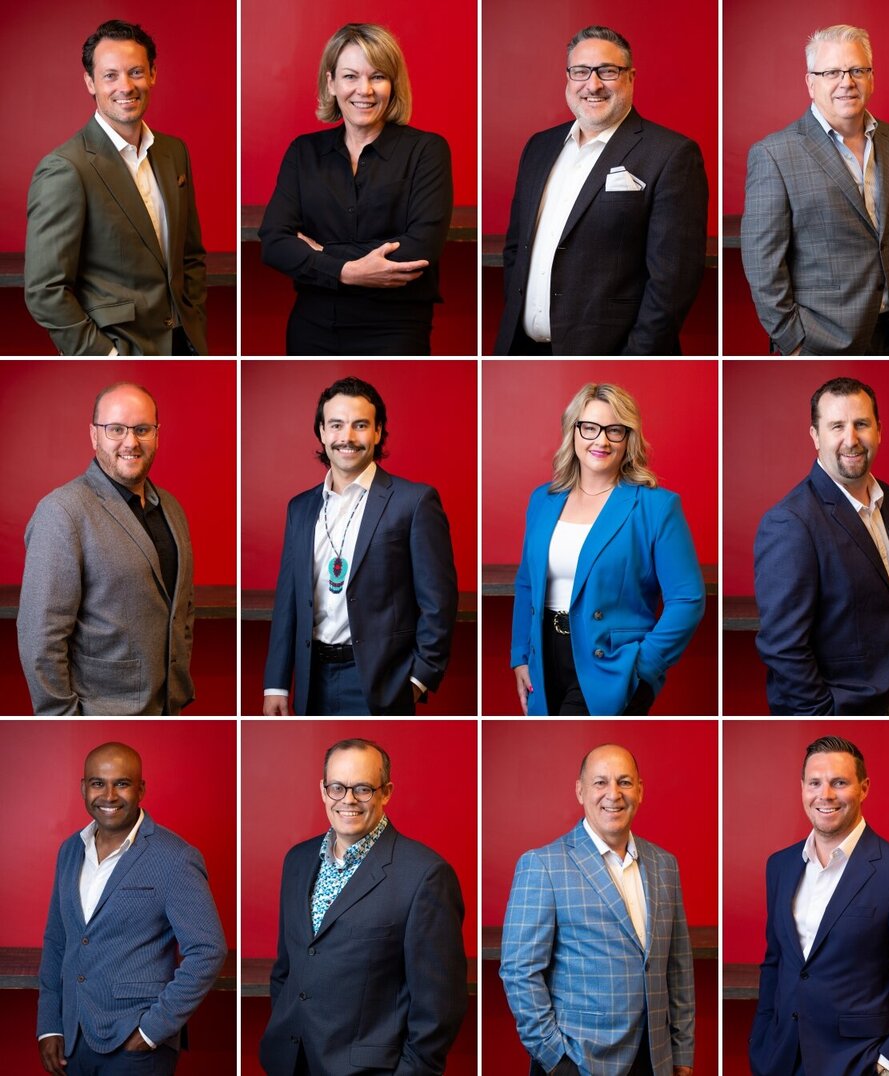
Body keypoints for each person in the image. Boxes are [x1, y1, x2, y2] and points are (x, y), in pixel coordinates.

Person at [493, 26, 708, 356]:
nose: (592, 85)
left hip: (613, 353)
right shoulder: (539, 146)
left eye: (607, 71)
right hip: (521, 348)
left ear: (631, 77)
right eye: (580, 71)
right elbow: (516, 249)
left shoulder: (671, 154)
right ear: (568, 77)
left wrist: (637, 357)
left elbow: (673, 282)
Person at [260, 738, 467, 1075]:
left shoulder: (426, 875)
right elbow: (289, 966)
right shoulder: (297, 860)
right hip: (288, 1061)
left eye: (363, 789)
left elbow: (440, 1006)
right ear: (324, 791)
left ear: (386, 792)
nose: (348, 800)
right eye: (337, 788)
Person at [750, 736, 889, 1075]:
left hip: (855, 1063)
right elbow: (776, 963)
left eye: (839, 783)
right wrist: (760, 1042)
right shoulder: (779, 866)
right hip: (779, 1058)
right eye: (815, 783)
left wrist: (888, 1066)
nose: (825, 795)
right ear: (802, 788)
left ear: (864, 788)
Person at [264, 376, 457, 716]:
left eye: (360, 425)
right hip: (312, 680)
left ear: (378, 432)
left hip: (383, 683)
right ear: (322, 433)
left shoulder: (414, 501)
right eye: (336, 425)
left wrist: (418, 680)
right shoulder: (300, 508)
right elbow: (288, 601)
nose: (347, 438)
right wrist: (277, 683)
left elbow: (439, 601)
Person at [511, 383, 705, 716]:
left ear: (629, 438)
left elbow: (688, 599)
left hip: (611, 663)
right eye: (590, 428)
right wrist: (520, 656)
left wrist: (643, 667)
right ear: (573, 431)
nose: (601, 440)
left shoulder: (656, 506)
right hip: (544, 655)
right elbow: (527, 582)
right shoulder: (542, 499)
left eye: (614, 430)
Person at [500, 743, 694, 1076]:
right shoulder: (543, 865)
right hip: (578, 1062)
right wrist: (556, 1059)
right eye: (600, 782)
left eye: (624, 782)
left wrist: (682, 1054)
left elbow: (678, 967)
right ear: (580, 790)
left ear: (640, 790)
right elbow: (519, 972)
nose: (613, 794)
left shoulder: (665, 865)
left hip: (654, 1061)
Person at [259, 24, 452, 355]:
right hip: (314, 325)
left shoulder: (426, 150)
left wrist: (321, 253)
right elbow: (274, 242)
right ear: (331, 83)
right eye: (351, 77)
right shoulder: (303, 152)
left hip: (395, 326)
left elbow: (421, 248)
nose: (365, 89)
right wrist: (347, 271)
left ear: (393, 84)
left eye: (377, 76)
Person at [37, 742, 226, 1076]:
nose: (109, 796)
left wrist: (150, 1032)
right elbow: (57, 940)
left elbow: (208, 950)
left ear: (141, 789)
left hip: (135, 1047)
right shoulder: (70, 850)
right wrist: (50, 1024)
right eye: (98, 783)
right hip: (73, 1037)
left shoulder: (175, 857)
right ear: (84, 788)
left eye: (121, 783)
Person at [25, 20, 207, 356]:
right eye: (110, 75)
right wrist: (104, 355)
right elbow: (44, 290)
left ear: (152, 73)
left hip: (185, 343)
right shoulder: (66, 168)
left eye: (136, 71)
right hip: (120, 346)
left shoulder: (174, 152)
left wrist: (193, 317)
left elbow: (190, 254)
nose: (126, 86)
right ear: (90, 82)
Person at [742, 25, 889, 356]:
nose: (847, 82)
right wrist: (792, 340)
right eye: (832, 72)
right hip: (820, 339)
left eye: (857, 70)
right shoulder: (774, 154)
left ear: (872, 77)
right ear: (811, 82)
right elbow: (762, 262)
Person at [18, 383, 194, 715]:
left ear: (157, 434)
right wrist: (63, 716)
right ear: (94, 435)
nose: (131, 442)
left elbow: (183, 607)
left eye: (142, 429)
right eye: (116, 429)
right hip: (99, 708)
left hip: (168, 705)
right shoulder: (62, 511)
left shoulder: (171, 508)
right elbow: (40, 638)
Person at [754, 377, 889, 715]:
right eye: (836, 426)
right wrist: (823, 713)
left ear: (879, 430)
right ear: (815, 436)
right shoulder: (790, 522)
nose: (851, 439)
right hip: (836, 710)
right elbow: (782, 647)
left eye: (861, 424)